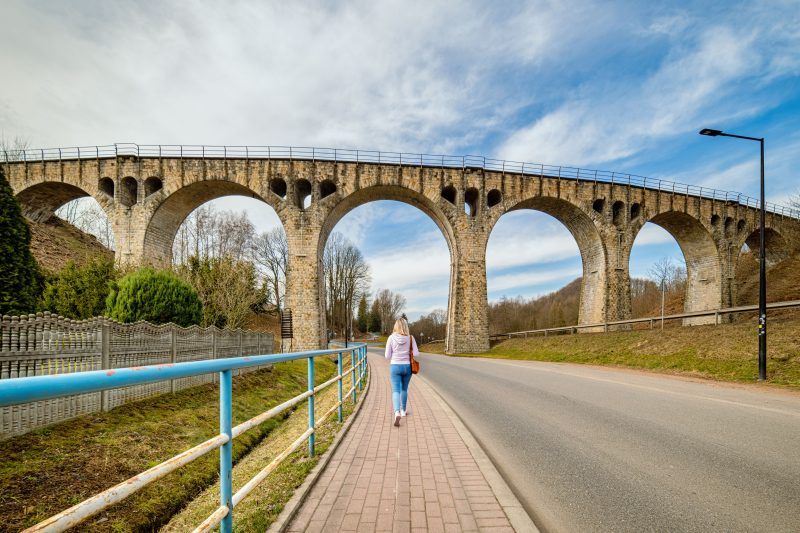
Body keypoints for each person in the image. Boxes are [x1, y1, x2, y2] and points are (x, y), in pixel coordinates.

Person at [384, 318, 418, 427]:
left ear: (396, 326)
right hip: (407, 366)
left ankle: (397, 412)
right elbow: (416, 354)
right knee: (404, 388)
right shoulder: (411, 338)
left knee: (395, 391)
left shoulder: (391, 338)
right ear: (406, 326)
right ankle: (403, 411)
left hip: (395, 366)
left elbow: (387, 356)